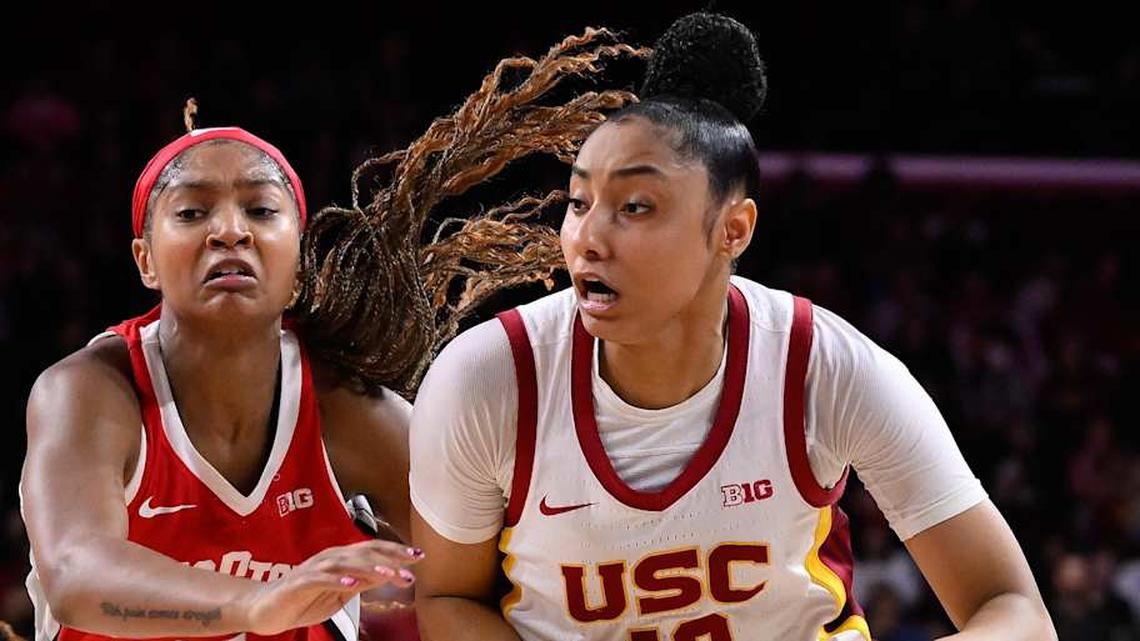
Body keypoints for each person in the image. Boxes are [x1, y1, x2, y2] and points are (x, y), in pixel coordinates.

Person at [409, 13, 1057, 641]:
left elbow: (1013, 609)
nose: (588, 239)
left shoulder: (825, 367)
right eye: (580, 203)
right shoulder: (487, 378)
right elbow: (447, 596)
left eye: (635, 206)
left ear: (733, 229)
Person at [20, 118, 419, 641]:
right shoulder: (88, 390)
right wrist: (255, 604)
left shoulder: (351, 410)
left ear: (299, 263)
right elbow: (74, 576)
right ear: (146, 261)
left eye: (260, 209)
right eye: (191, 212)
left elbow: (481, 566)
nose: (230, 230)